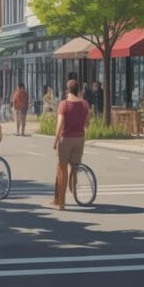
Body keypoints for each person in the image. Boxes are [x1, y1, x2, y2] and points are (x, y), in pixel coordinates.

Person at [50, 78, 90, 209]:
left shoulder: (64, 104)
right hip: (80, 139)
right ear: (78, 90)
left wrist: (55, 141)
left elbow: (60, 124)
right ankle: (71, 188)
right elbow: (87, 124)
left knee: (62, 169)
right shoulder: (85, 104)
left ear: (67, 90)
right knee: (74, 166)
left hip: (66, 139)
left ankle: (61, 202)